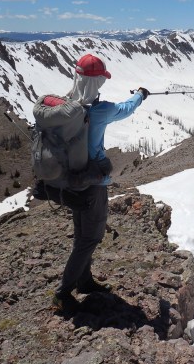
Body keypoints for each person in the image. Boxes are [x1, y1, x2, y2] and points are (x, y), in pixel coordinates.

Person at [52, 53, 149, 313]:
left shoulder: (66, 106)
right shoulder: (100, 110)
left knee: (81, 236)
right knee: (90, 238)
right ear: (97, 83)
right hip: (93, 182)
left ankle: (84, 281)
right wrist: (140, 94)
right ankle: (63, 293)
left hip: (71, 181)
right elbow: (126, 108)